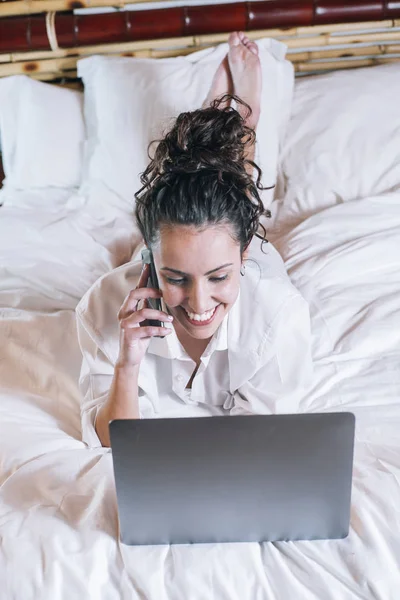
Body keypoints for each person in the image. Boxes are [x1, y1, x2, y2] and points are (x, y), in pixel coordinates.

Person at [76, 32, 313, 448]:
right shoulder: (102, 305)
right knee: (194, 204)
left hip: (237, 246)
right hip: (178, 246)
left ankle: (245, 117)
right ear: (150, 261)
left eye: (219, 278)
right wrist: (127, 365)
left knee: (243, 196)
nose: (200, 305)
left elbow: (264, 444)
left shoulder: (279, 312)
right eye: (177, 279)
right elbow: (110, 441)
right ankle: (229, 118)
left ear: (242, 257)